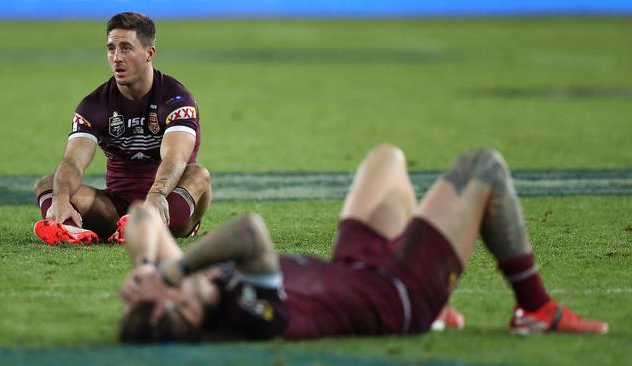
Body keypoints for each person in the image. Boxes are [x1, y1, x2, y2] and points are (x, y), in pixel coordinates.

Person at [118, 144, 608, 342]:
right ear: (175, 310)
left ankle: (446, 306)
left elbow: (142, 216)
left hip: (356, 267)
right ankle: (535, 309)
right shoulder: (246, 318)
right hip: (400, 292)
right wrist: (170, 272)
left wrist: (146, 262)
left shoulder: (189, 293)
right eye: (173, 287)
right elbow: (250, 231)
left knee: (386, 159)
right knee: (485, 167)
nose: (178, 277)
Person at [32, 12, 211, 245]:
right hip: (116, 209)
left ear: (150, 53)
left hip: (167, 203)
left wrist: (157, 194)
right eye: (111, 48)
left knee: (199, 176)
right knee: (50, 185)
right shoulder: (94, 105)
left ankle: (146, 225)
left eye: (126, 48)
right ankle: (72, 229)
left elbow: (175, 158)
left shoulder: (176, 99)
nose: (116, 57)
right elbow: (73, 162)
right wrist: (62, 198)